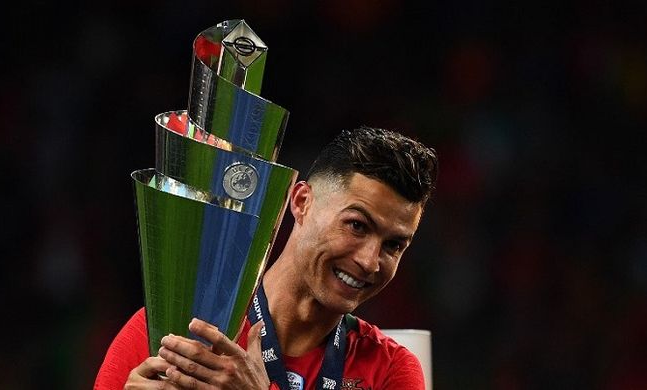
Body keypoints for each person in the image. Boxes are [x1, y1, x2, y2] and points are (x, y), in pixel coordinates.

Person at [94, 126, 438, 390]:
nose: (369, 261)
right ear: (301, 203)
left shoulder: (391, 370)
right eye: (357, 226)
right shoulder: (172, 333)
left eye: (394, 245)